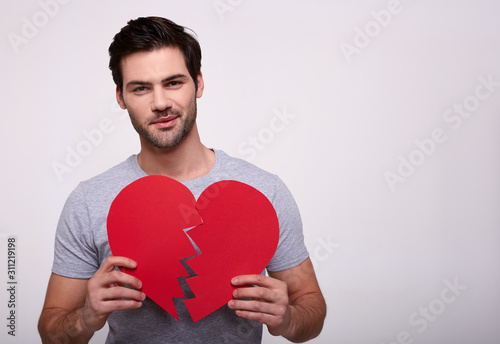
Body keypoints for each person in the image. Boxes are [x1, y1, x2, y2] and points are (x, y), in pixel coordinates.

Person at [38, 16, 326, 344]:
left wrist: (287, 318)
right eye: (141, 88)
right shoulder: (89, 200)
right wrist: (86, 318)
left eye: (173, 82)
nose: (160, 103)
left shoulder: (264, 190)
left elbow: (311, 310)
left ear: (198, 83)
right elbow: (52, 331)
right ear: (120, 97)